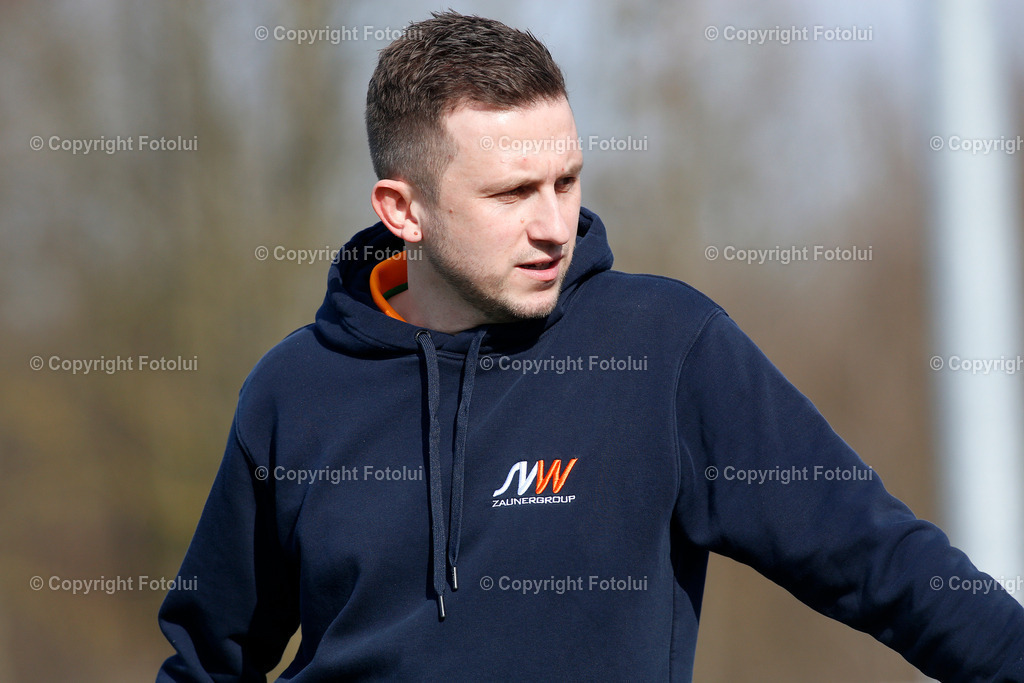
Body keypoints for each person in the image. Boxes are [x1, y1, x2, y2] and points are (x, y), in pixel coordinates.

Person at [157, 11, 1024, 681]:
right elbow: (206, 657)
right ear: (402, 209)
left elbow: (886, 565)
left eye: (567, 180)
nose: (552, 225)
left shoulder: (666, 348)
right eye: (512, 192)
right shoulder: (293, 389)